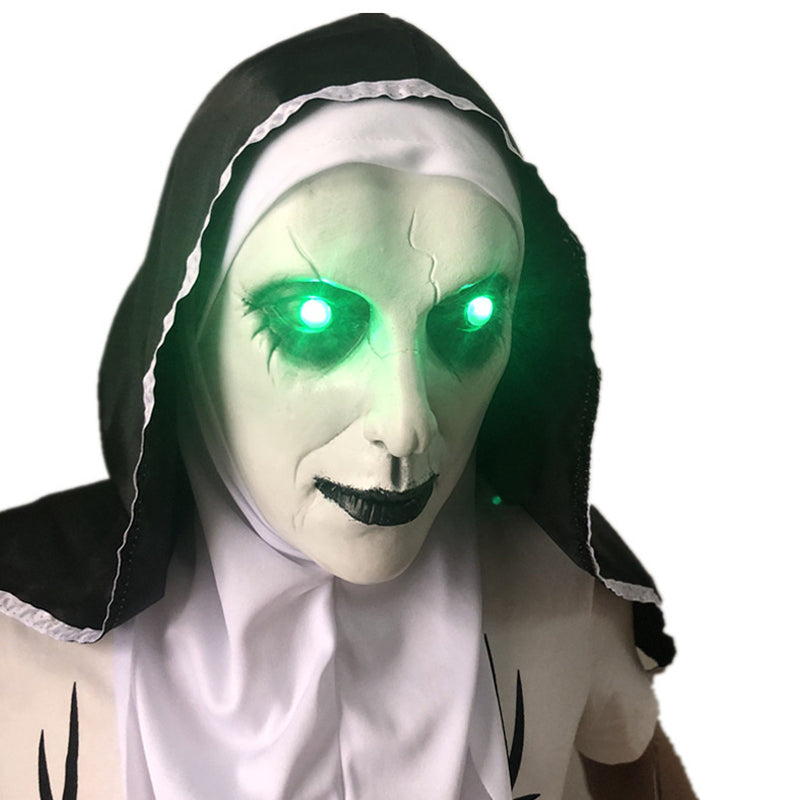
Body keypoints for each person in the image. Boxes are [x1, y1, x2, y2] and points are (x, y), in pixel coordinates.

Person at [0, 14, 697, 799]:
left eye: (470, 322)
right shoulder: (19, 648)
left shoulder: (564, 597)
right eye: (313, 323)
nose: (407, 424)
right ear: (185, 336)